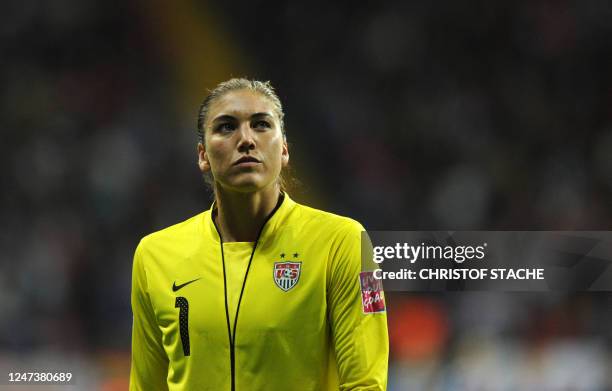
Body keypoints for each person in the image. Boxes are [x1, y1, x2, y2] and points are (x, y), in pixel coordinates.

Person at [129, 78, 388, 390]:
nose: (246, 139)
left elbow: (366, 384)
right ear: (203, 155)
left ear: (285, 150)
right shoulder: (154, 255)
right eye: (226, 127)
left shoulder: (345, 242)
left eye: (262, 124)